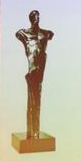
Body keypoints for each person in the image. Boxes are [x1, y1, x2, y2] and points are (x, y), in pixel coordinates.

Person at [16, 10, 54, 138]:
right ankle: (32, 132)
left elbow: (50, 35)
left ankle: (34, 132)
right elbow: (18, 35)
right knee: (33, 100)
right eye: (34, 16)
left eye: (38, 16)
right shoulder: (23, 33)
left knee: (36, 99)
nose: (36, 18)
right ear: (30, 18)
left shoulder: (46, 33)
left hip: (40, 71)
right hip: (31, 70)